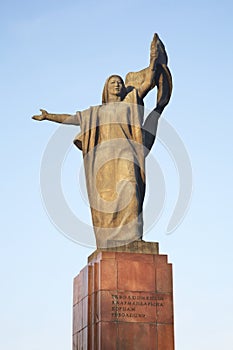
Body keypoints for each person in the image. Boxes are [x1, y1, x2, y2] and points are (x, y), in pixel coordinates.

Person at [32, 34, 172, 248]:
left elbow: (148, 81)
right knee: (106, 201)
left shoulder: (131, 102)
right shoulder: (95, 113)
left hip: (126, 153)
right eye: (112, 83)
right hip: (104, 159)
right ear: (106, 89)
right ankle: (110, 240)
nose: (116, 85)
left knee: (132, 189)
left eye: (119, 83)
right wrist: (48, 115)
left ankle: (134, 237)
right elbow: (73, 119)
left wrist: (153, 60)